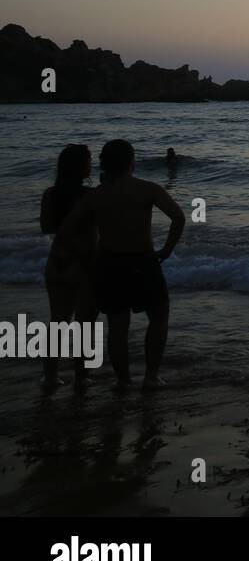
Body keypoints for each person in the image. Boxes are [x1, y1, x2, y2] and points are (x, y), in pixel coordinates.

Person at [61, 140, 185, 391]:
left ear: (104, 163)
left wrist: (86, 255)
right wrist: (167, 250)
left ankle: (123, 380)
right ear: (132, 162)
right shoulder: (148, 189)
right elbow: (178, 217)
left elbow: (66, 230)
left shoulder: (96, 195)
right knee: (159, 317)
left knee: (117, 327)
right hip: (143, 260)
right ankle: (151, 376)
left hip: (109, 263)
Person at [39, 144, 97, 391]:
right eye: (89, 160)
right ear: (82, 167)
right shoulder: (90, 196)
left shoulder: (50, 194)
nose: (91, 164)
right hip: (83, 261)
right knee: (85, 324)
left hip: (57, 260)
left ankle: (50, 375)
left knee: (58, 322)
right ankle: (81, 376)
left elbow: (46, 227)